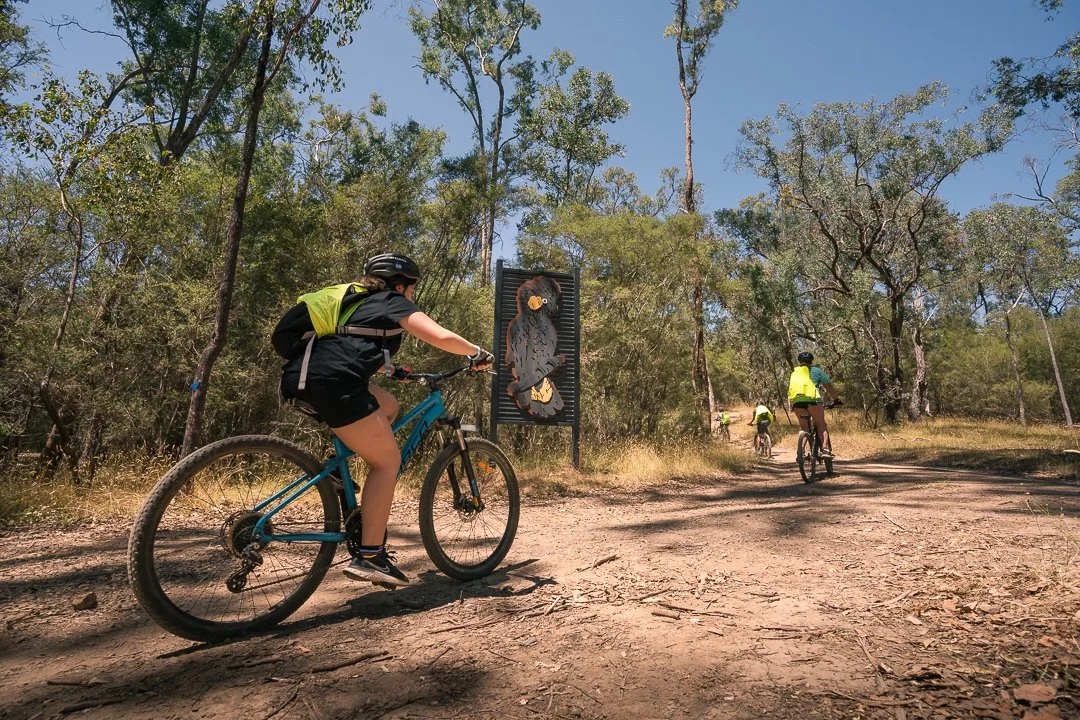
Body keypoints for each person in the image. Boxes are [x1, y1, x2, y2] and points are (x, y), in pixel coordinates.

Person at [277, 252, 494, 587]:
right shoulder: (390, 300)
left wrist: (394, 370)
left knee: (388, 405)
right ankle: (370, 556)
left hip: (302, 376)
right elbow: (438, 335)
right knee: (386, 462)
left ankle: (337, 468)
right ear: (400, 284)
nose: (412, 295)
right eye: (412, 288)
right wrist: (475, 352)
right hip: (335, 382)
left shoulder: (355, 306)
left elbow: (348, 345)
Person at [788, 351, 841, 457]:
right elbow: (829, 387)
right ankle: (825, 450)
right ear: (811, 361)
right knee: (821, 424)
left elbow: (790, 389)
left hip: (798, 402)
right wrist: (836, 399)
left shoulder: (795, 372)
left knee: (804, 428)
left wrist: (791, 406)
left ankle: (801, 452)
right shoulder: (817, 371)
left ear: (800, 361)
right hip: (814, 401)